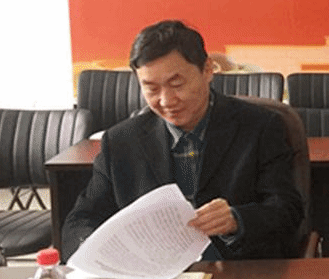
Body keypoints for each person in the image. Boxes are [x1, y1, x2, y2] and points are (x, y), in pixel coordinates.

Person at [62, 20, 304, 260]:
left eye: (176, 84)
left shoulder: (260, 126)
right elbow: (81, 220)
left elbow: (287, 210)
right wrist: (94, 252)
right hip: (155, 276)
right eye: (152, 89)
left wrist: (237, 219)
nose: (166, 101)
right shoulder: (121, 141)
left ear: (207, 70)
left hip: (239, 272)